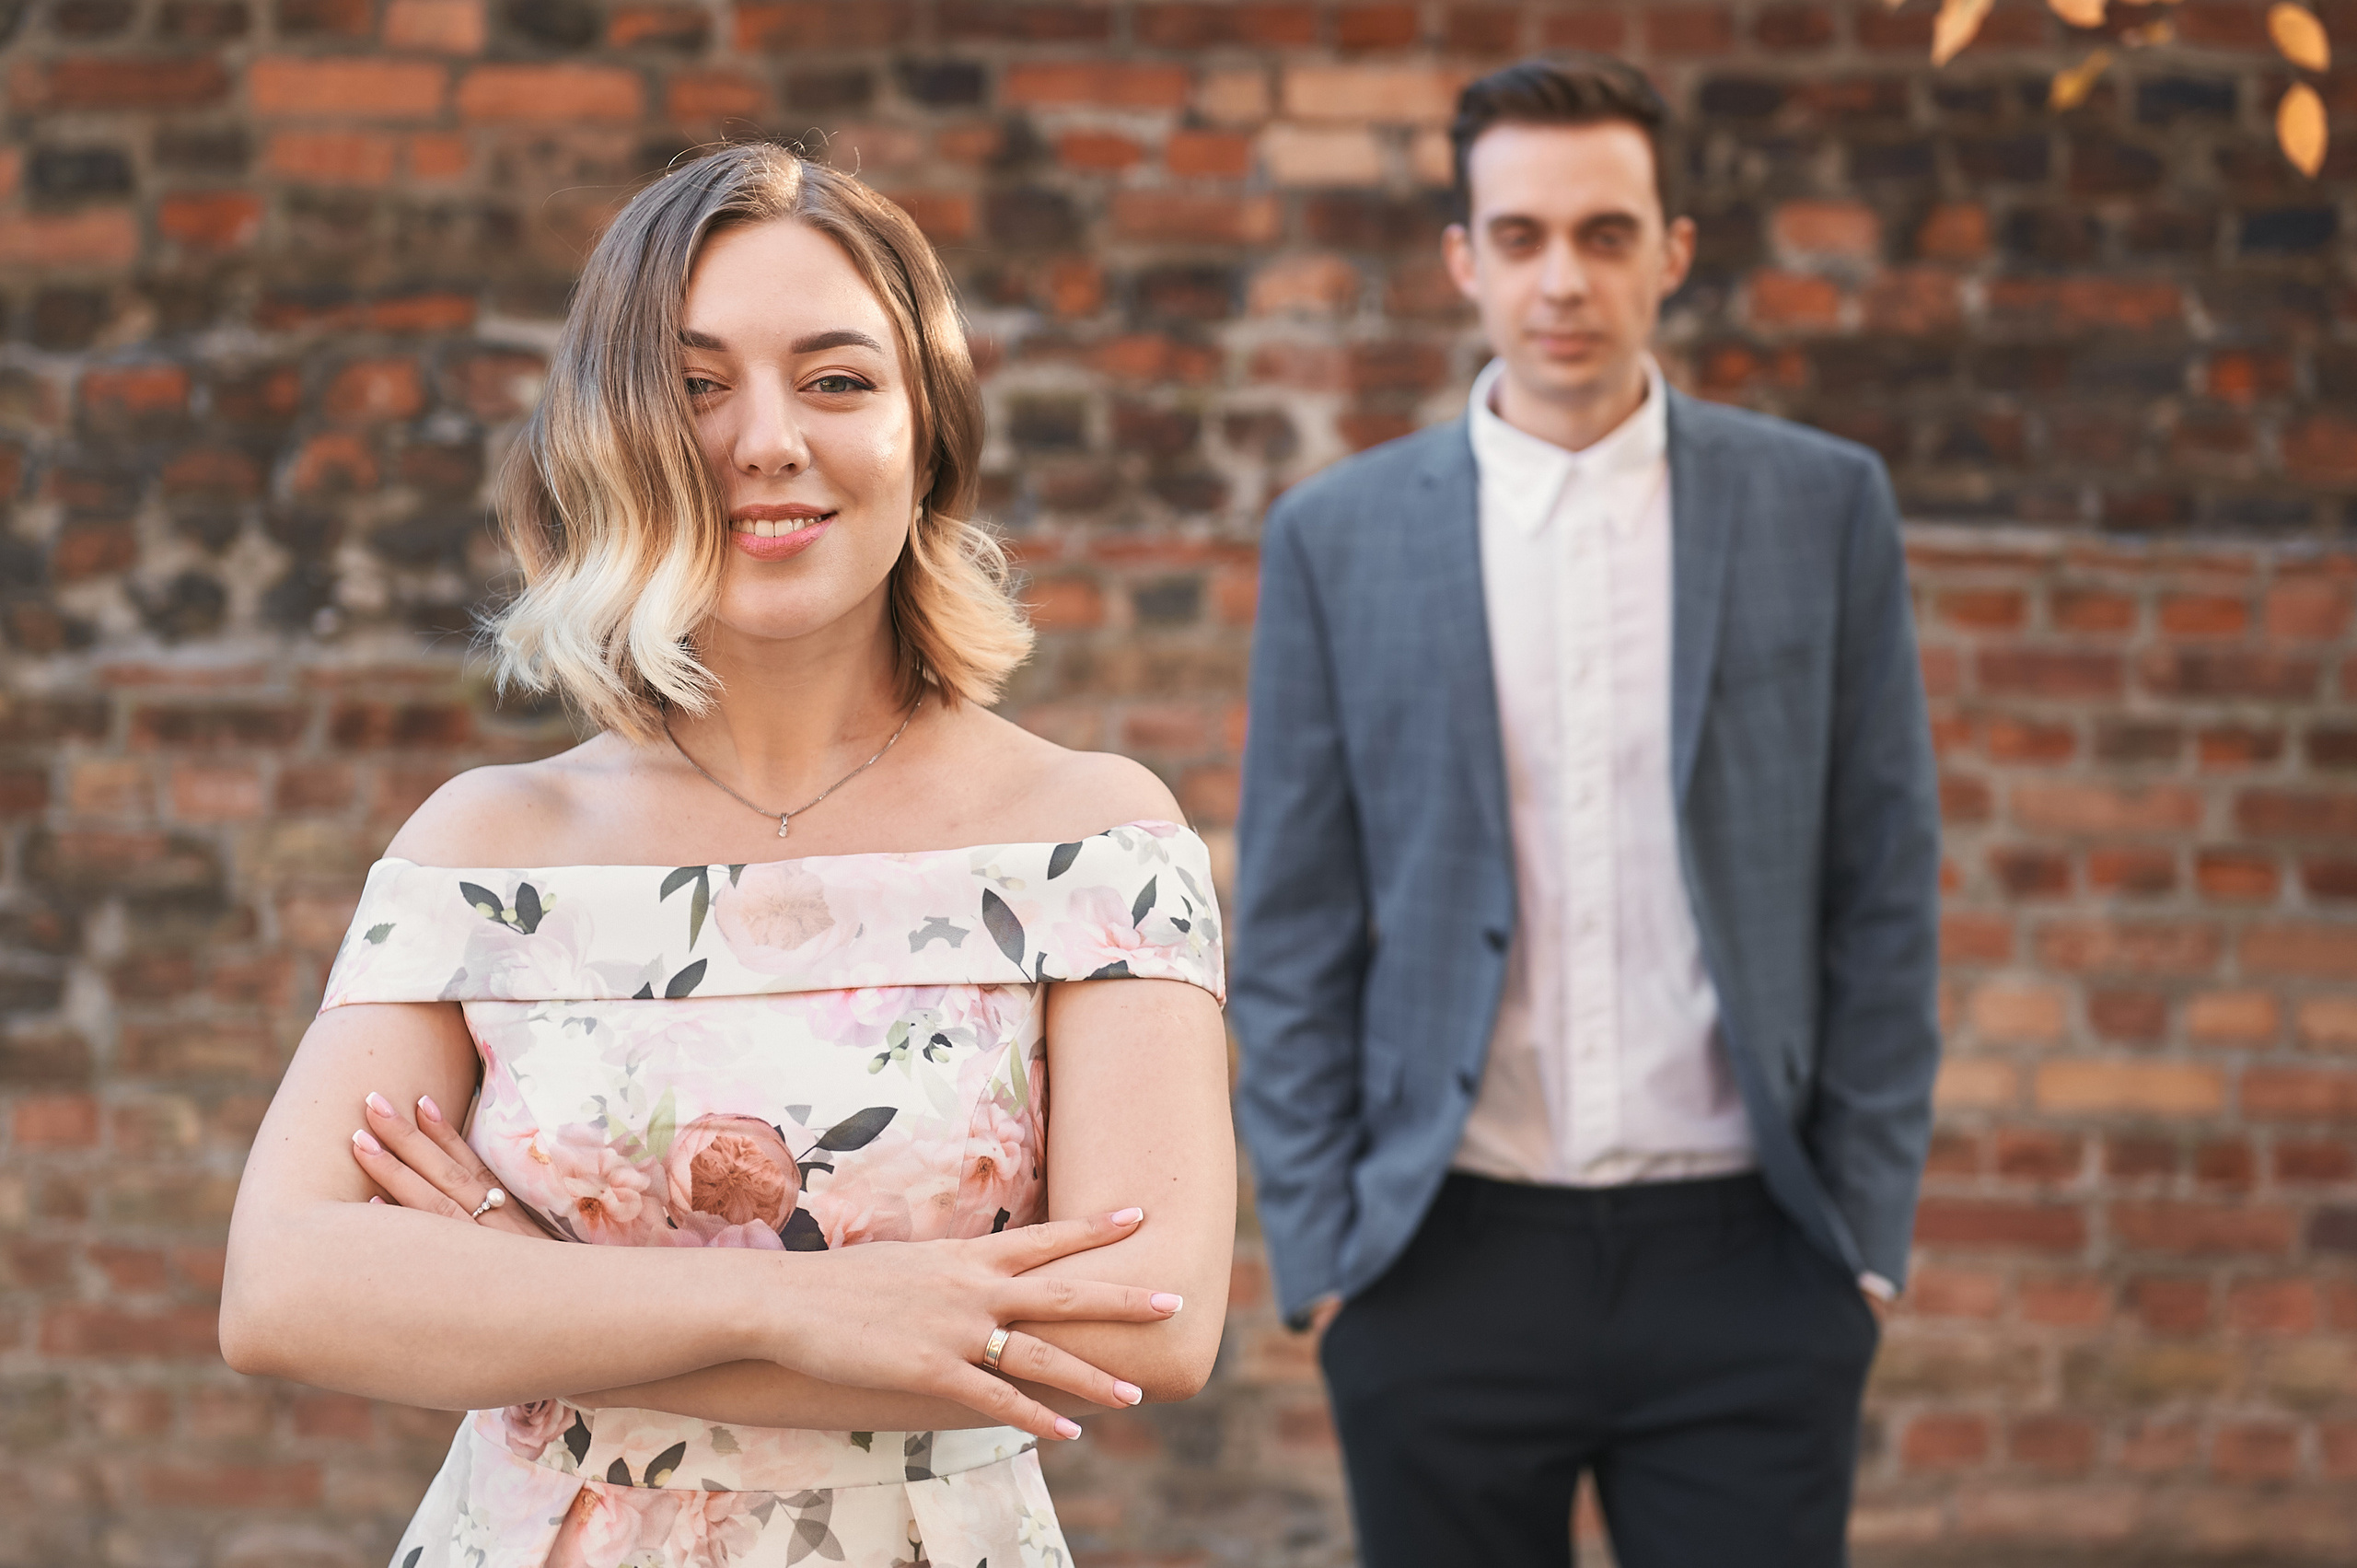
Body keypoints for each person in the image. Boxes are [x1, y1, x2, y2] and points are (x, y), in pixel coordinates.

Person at [220, 143, 1235, 1568]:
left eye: (836, 380)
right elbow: (282, 1288)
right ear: (610, 433)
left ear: (925, 432)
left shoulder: (1091, 837)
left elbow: (1151, 1320)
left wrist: (526, 1300)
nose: (766, 442)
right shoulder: (489, 849)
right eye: (697, 386)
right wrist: (803, 1308)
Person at [1230, 57, 1941, 1568]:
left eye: (1607, 234)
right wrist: (1326, 1260)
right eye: (1525, 236)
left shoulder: (1822, 509)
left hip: (1752, 1259)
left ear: (1672, 251)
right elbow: (1290, 922)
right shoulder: (1336, 539)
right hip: (1442, 1260)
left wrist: (1860, 1252)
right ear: (1463, 259)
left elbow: (1883, 887)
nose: (1565, 279)